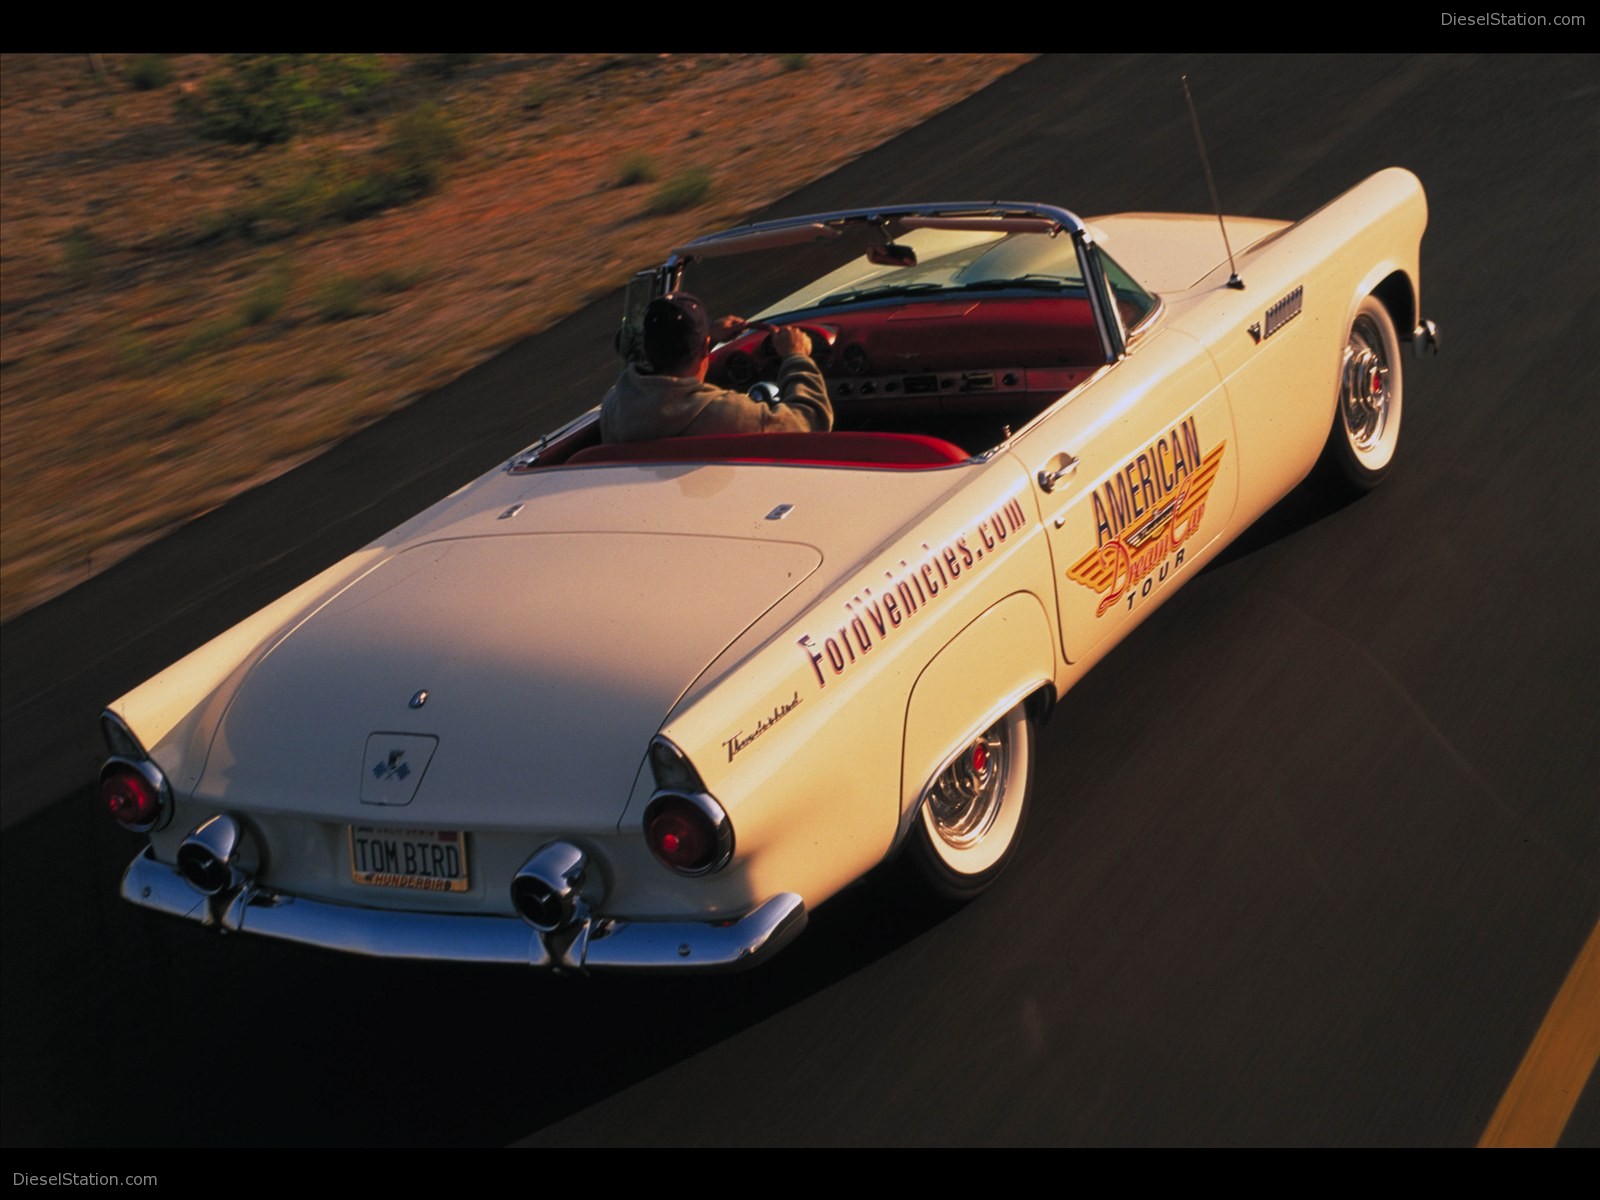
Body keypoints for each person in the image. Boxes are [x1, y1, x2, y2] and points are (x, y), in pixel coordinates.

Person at [601, 292, 832, 443]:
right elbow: (810, 424)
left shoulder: (615, 405)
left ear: (645, 351)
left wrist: (708, 335)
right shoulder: (725, 414)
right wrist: (796, 357)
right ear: (705, 350)